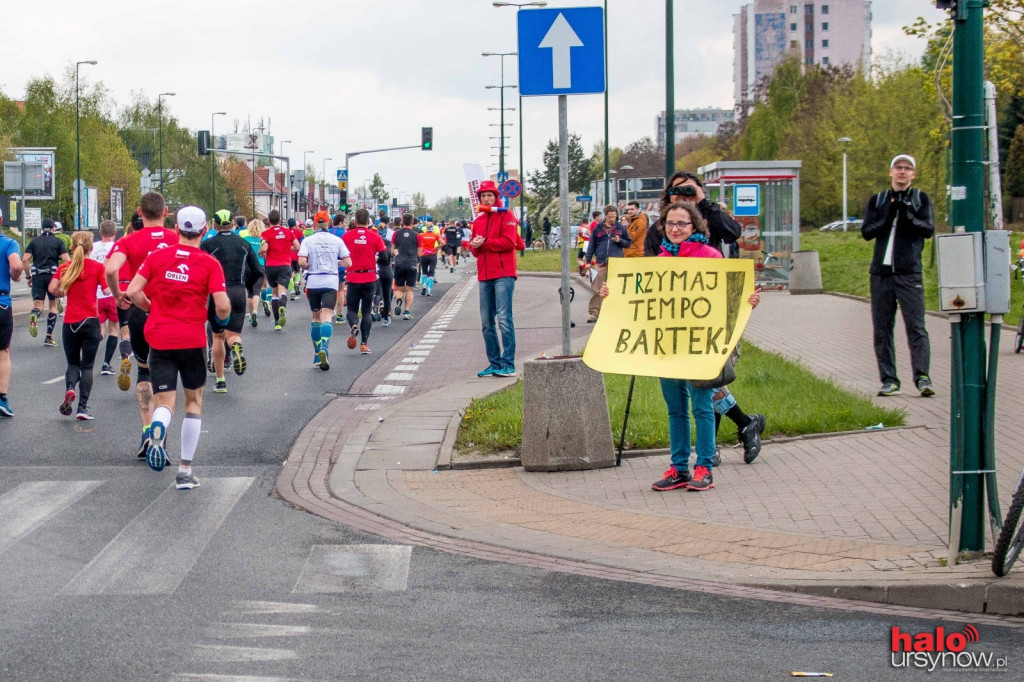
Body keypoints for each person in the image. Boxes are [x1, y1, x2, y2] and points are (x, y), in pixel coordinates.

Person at [600, 202, 761, 492]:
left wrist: (747, 301)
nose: (675, 229)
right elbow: (636, 297)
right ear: (663, 226)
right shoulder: (658, 260)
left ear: (695, 226)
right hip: (667, 347)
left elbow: (729, 295)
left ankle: (704, 468)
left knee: (701, 407)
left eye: (682, 224)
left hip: (699, 346)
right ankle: (678, 468)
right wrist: (613, 292)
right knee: (676, 410)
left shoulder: (709, 257)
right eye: (670, 223)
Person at [650, 171, 764, 464]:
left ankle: (709, 452)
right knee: (703, 388)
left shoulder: (711, 227)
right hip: (674, 325)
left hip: (711, 321)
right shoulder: (660, 231)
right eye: (676, 191)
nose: (683, 194)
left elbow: (733, 232)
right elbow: (646, 276)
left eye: (689, 189)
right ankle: (743, 425)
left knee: (707, 386)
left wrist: (701, 201)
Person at [127, 206, 230, 490]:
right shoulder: (209, 263)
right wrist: (223, 319)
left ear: (175, 229)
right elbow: (221, 306)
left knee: (164, 402)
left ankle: (158, 428)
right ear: (204, 229)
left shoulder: (156, 257)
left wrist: (152, 308)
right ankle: (185, 471)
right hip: (192, 339)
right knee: (193, 404)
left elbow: (133, 291)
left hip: (159, 338)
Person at [105, 192, 179, 460]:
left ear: (139, 211)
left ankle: (147, 431)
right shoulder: (176, 239)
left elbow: (111, 270)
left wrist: (117, 296)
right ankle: (161, 429)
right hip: (169, 313)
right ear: (166, 212)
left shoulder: (128, 241)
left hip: (139, 312)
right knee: (167, 376)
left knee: (144, 372)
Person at [862, 154, 935, 397]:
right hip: (881, 275)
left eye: (907, 168)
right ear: (891, 172)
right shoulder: (879, 199)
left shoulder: (920, 198)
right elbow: (867, 231)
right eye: (898, 168)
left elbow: (928, 230)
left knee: (916, 327)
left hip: (909, 273)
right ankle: (889, 378)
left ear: (913, 174)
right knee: (882, 329)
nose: (902, 172)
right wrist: (888, 215)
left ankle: (922, 377)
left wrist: (907, 215)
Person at [201, 209, 264, 393]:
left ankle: (220, 381)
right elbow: (257, 270)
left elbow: (200, 268)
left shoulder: (208, 244)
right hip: (238, 291)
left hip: (218, 291)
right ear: (233, 224)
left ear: (215, 225)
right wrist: (249, 288)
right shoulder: (243, 244)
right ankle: (236, 346)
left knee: (218, 336)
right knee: (234, 334)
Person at [49, 231, 108, 420]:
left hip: (70, 323)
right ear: (92, 247)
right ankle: (82, 408)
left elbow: (52, 289)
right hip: (91, 321)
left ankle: (69, 388)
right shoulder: (97, 267)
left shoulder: (65, 268)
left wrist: (62, 292)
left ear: (72, 247)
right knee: (88, 366)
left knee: (72, 363)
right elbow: (107, 290)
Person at [470, 180, 518, 378]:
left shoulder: (506, 215)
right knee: (486, 321)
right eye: (483, 196)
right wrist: (476, 244)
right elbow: (474, 251)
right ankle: (494, 362)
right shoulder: (479, 221)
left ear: (496, 197)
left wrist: (486, 242)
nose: (486, 198)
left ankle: (508, 363)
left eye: (489, 195)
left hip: (504, 274)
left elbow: (509, 242)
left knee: (504, 318)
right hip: (484, 275)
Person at [298, 216, 351, 369]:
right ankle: (325, 348)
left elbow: (301, 262)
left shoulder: (308, 240)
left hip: (314, 281)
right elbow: (348, 262)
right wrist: (336, 263)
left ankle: (316, 355)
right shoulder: (337, 240)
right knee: (327, 315)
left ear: (315, 224)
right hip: (330, 281)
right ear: (328, 223)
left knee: (315, 317)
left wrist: (309, 265)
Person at [342, 209, 387, 354]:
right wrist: (374, 259)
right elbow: (385, 258)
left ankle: (354, 325)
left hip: (353, 277)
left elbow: (341, 255)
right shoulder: (375, 237)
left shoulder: (347, 236)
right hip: (369, 278)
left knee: (351, 309)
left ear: (355, 221)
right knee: (367, 311)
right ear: (368, 222)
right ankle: (364, 344)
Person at [22, 217, 70, 346]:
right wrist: (64, 275)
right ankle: (48, 337)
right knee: (53, 306)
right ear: (54, 228)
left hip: (37, 275)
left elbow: (25, 259)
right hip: (52, 276)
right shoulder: (58, 241)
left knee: (38, 305)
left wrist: (28, 276)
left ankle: (35, 315)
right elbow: (66, 259)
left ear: (42, 229)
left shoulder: (34, 242)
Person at [585, 205, 631, 324]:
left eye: (614, 217)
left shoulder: (621, 228)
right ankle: (594, 313)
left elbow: (628, 243)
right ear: (605, 216)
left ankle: (614, 312)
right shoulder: (598, 228)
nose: (612, 219)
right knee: (597, 288)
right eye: (610, 217)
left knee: (616, 288)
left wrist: (619, 240)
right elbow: (591, 245)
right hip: (601, 262)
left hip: (616, 262)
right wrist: (588, 262)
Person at [89, 221, 121, 378]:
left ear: (100, 232)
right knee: (114, 330)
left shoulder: (93, 247)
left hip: (96, 294)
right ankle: (106, 363)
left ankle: (88, 357)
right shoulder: (118, 248)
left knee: (99, 329)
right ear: (115, 233)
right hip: (113, 293)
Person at [259, 210, 300, 330]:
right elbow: (297, 247)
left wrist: (260, 251)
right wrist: (287, 248)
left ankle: (277, 322)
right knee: (282, 292)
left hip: (271, 266)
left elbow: (265, 247)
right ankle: (283, 306)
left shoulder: (266, 233)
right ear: (280, 220)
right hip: (285, 265)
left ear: (269, 220)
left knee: (274, 293)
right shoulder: (288, 232)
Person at [0, 215, 24, 417]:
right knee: (3, 352)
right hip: (1, 302)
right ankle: (1, 398)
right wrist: (15, 276)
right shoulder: (8, 243)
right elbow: (16, 266)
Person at [236, 214, 266, 328]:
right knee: (257, 291)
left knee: (249, 292)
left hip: (247, 267)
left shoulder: (244, 239)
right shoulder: (262, 240)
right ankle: (255, 312)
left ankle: (250, 314)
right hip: (260, 266)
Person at [392, 213, 419, 321]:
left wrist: (397, 253)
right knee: (409, 290)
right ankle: (406, 312)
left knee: (399, 288)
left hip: (399, 262)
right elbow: (420, 252)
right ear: (412, 222)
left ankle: (399, 300)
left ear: (402, 221)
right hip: (411, 262)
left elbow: (392, 250)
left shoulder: (396, 234)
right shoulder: (417, 235)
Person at [329, 214, 349, 324]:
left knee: (330, 290)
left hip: (327, 265)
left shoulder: (327, 232)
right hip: (340, 265)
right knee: (340, 289)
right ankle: (340, 316)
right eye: (344, 222)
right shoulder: (344, 234)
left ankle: (329, 311)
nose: (345, 224)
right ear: (340, 223)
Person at [375, 216, 395, 326]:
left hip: (377, 269)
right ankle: (386, 318)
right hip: (387, 269)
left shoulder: (375, 241)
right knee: (387, 294)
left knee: (378, 292)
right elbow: (390, 255)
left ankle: (375, 308)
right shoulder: (388, 243)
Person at [418, 221, 441, 296]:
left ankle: (424, 285)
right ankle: (428, 291)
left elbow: (417, 244)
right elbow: (443, 243)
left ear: (426, 228)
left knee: (424, 272)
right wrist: (436, 248)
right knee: (431, 273)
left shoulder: (421, 235)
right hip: (432, 254)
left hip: (424, 254)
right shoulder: (435, 235)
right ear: (432, 228)